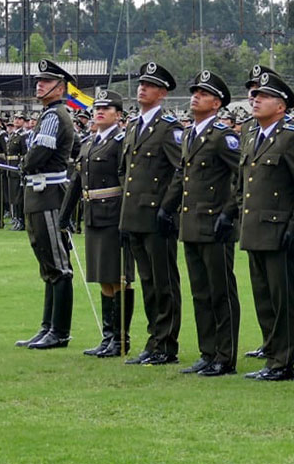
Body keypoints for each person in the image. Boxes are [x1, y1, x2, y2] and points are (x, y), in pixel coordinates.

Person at [236, 68, 294, 381]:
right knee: (264, 297)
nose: (255, 100)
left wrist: (293, 226)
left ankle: (283, 362)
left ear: (281, 106)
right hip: (255, 228)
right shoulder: (251, 135)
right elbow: (244, 184)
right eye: (255, 95)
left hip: (279, 230)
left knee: (282, 298)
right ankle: (271, 350)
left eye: (264, 97)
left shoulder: (291, 137)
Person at [118, 62, 184, 366]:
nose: (141, 88)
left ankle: (166, 344)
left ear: (162, 93)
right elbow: (126, 173)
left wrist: (167, 208)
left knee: (163, 282)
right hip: (135, 215)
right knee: (147, 281)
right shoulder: (133, 126)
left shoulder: (169, 128)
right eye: (141, 83)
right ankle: (153, 340)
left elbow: (179, 171)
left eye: (149, 85)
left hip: (158, 216)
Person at [176, 70, 242, 376]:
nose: (195, 97)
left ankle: (225, 356)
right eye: (194, 92)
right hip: (192, 223)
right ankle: (208, 351)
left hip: (216, 224)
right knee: (200, 292)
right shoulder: (191, 133)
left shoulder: (222, 136)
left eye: (202, 94)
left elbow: (241, 175)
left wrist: (229, 213)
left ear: (216, 103)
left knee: (221, 292)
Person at [61, 90, 130, 357]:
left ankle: (121, 339)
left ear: (118, 115)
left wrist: (126, 218)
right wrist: (64, 214)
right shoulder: (89, 143)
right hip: (93, 215)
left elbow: (126, 181)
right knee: (101, 276)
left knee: (118, 276)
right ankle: (108, 335)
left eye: (107, 108)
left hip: (114, 215)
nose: (99, 111)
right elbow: (78, 180)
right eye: (97, 108)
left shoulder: (121, 142)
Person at [14, 60, 78, 349]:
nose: (39, 85)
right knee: (47, 264)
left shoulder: (55, 114)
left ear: (60, 87)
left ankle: (59, 331)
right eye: (38, 81)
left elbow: (41, 151)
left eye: (46, 81)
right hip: (38, 194)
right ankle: (47, 326)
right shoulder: (48, 114)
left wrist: (25, 164)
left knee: (58, 263)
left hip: (49, 193)